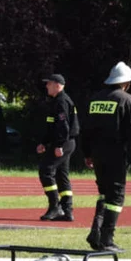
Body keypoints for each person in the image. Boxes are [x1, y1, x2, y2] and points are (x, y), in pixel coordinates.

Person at [82, 62, 131, 252]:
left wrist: (87, 154)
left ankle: (95, 234)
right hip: (116, 155)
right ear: (125, 82)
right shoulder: (126, 100)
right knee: (116, 197)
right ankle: (107, 240)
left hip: (97, 155)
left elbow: (86, 130)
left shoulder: (95, 99)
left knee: (104, 194)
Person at [35, 73, 80, 221]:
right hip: (64, 142)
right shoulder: (56, 101)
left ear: (57, 85)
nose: (46, 86)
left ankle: (55, 207)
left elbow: (63, 126)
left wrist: (60, 145)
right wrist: (44, 142)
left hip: (63, 142)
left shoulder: (61, 101)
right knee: (62, 176)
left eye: (49, 83)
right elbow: (51, 126)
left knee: (46, 170)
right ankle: (67, 210)